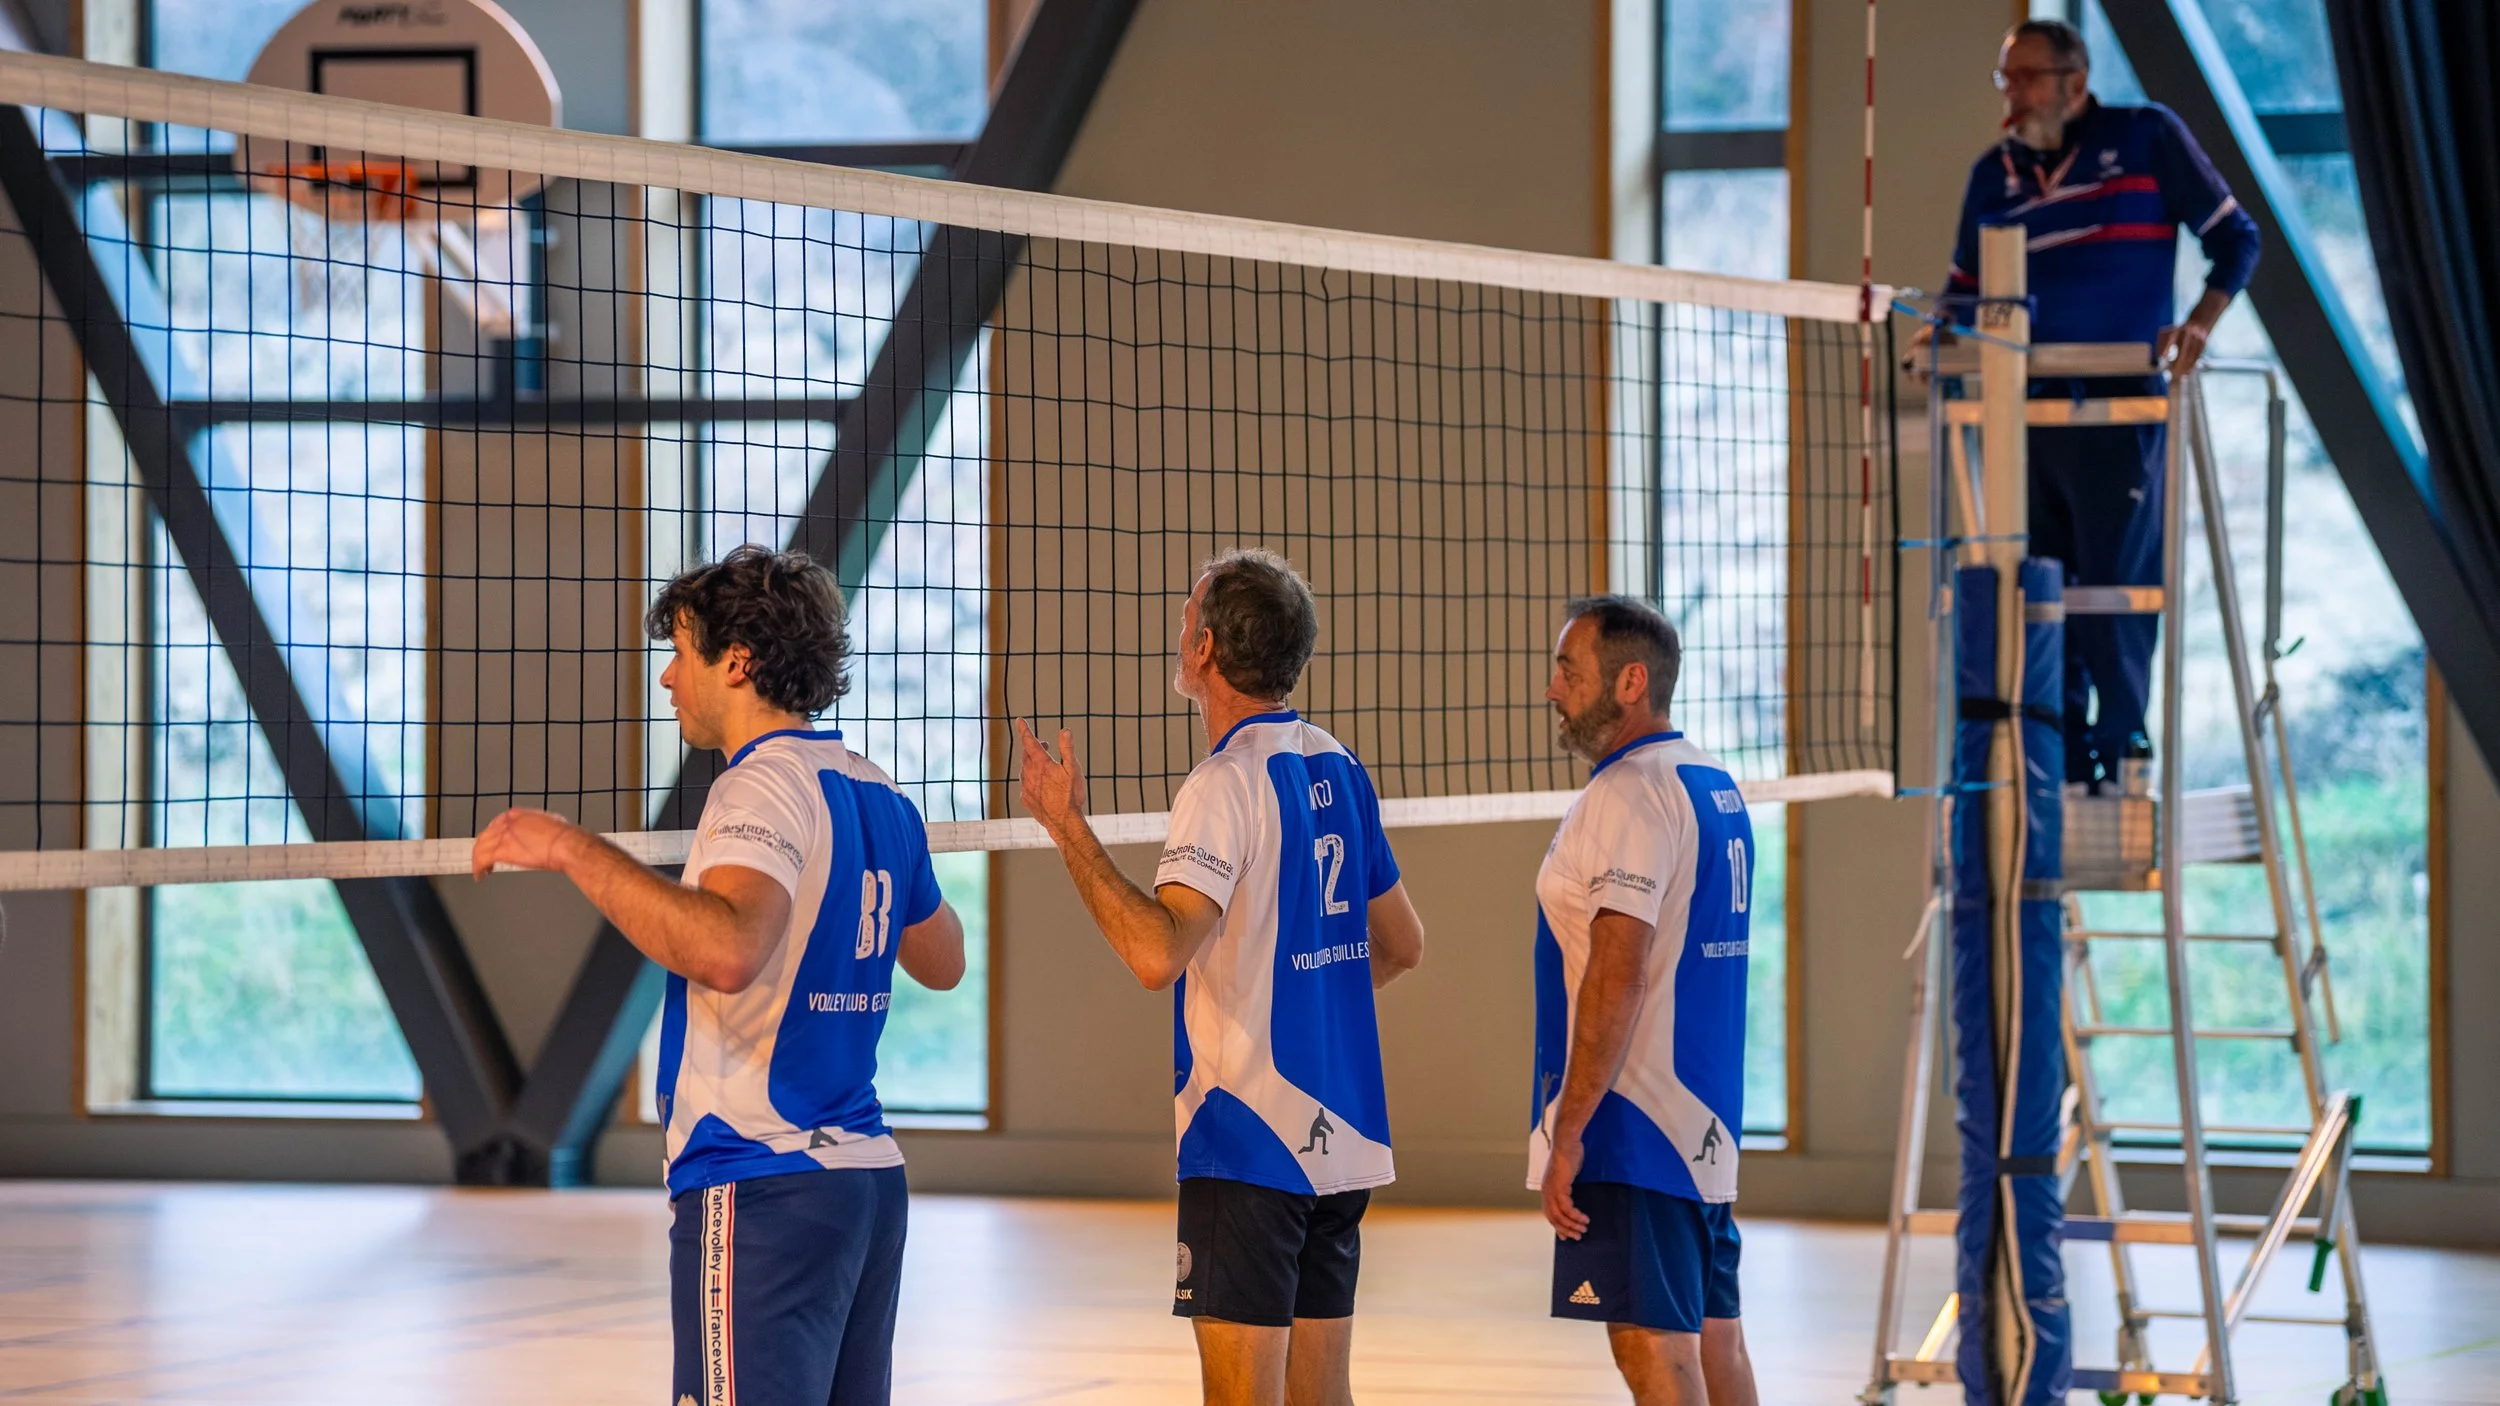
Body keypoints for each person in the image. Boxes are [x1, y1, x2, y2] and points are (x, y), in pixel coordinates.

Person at [471, 544, 966, 1406]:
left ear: (736, 662)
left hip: (762, 1182)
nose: (668, 678)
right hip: (864, 1185)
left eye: (682, 651)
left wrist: (570, 848)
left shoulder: (758, 788)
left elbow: (730, 949)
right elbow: (945, 959)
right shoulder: (876, 791)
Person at [1016, 548, 1427, 1406]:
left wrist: (1066, 826)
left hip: (1249, 1140)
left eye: (1184, 616)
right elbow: (1402, 944)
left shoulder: (1222, 784)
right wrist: (1299, 1002)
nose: (1177, 631)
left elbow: (1156, 954)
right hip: (1341, 1140)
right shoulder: (1339, 766)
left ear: (1203, 649)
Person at [1917, 17, 2261, 786]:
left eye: (2029, 77)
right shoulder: (1992, 174)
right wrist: (1929, 337)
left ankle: (2122, 737)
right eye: (2005, 79)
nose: (2013, 94)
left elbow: (2237, 237)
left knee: (2114, 581)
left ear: (2077, 80)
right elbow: (1962, 296)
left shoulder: (2144, 136)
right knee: (2038, 584)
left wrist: (2198, 324)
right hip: (2023, 409)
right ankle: (2059, 746)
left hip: (2121, 404)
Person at [1529, 595, 1759, 1406]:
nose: (1551, 689)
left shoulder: (1627, 796)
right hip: (1701, 1126)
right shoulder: (1713, 784)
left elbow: (1617, 975)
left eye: (1568, 669)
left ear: (1631, 682)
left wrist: (1571, 1130)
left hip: (1636, 1125)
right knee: (1715, 1340)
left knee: (1654, 1354)